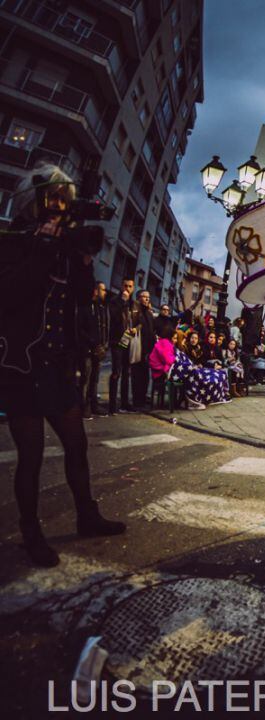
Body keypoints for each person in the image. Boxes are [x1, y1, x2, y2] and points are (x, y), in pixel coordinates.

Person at [0, 164, 125, 566]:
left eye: (62, 203)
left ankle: (87, 515)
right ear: (31, 205)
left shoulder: (63, 249)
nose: (58, 211)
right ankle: (31, 533)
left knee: (76, 444)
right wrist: (41, 247)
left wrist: (84, 260)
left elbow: (85, 298)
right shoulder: (12, 243)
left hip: (57, 365)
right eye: (51, 203)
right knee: (31, 454)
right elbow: (12, 294)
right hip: (20, 366)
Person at [79, 281, 109, 417]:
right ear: (96, 291)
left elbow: (103, 327)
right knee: (85, 378)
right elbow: (80, 329)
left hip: (98, 349)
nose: (105, 293)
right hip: (87, 349)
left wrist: (103, 343)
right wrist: (91, 342)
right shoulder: (86, 307)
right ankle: (83, 407)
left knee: (95, 379)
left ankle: (93, 405)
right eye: (103, 290)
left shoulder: (100, 308)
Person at [108, 281, 135, 414]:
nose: (127, 289)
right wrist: (123, 302)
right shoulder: (115, 301)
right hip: (117, 341)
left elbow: (134, 321)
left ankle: (124, 403)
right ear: (121, 286)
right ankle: (112, 405)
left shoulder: (133, 304)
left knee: (126, 373)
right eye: (125, 286)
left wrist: (135, 329)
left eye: (130, 286)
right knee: (116, 372)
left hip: (128, 341)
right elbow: (114, 318)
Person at [130, 289, 155, 409]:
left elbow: (152, 332)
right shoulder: (135, 312)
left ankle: (142, 399)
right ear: (138, 298)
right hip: (137, 349)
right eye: (144, 297)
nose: (147, 299)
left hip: (148, 351)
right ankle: (136, 401)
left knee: (145, 377)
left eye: (148, 297)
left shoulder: (149, 314)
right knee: (136, 376)